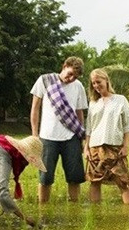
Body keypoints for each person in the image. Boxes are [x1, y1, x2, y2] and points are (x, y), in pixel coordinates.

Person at [30, 56, 88, 203]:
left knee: (75, 178)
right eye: (69, 74)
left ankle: (75, 208)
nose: (71, 79)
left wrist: (82, 137)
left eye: (75, 77)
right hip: (48, 137)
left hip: (71, 137)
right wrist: (35, 135)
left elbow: (79, 113)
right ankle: (43, 208)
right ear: (64, 66)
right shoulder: (45, 80)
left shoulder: (79, 86)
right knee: (45, 178)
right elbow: (35, 109)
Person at [83, 69, 129, 204]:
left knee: (123, 182)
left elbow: (127, 125)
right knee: (95, 182)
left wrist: (125, 146)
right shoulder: (93, 102)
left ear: (106, 80)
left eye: (98, 82)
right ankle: (96, 215)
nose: (96, 86)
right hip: (95, 146)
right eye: (93, 83)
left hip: (114, 146)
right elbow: (89, 127)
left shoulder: (120, 100)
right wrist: (86, 148)